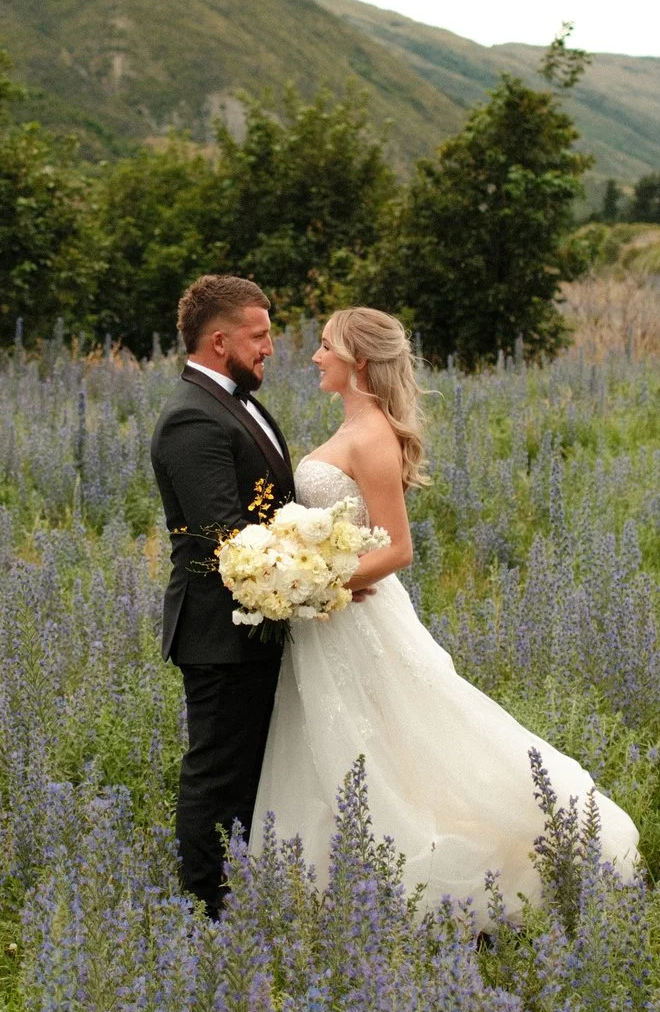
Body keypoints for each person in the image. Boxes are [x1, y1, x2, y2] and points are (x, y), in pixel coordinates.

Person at [251, 306, 637, 906]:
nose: (315, 356)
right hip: (330, 617)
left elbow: (398, 547)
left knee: (401, 738)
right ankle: (336, 884)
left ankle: (450, 870)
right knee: (345, 741)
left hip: (356, 614)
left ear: (357, 360)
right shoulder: (351, 429)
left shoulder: (374, 435)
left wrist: (319, 584)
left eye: (326, 346)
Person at [148, 274, 294, 913]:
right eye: (258, 335)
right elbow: (223, 538)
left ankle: (241, 890)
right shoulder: (190, 418)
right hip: (221, 630)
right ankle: (206, 908)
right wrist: (310, 576)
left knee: (248, 772)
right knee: (217, 774)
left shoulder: (236, 402)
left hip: (258, 622)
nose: (269, 347)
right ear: (218, 340)